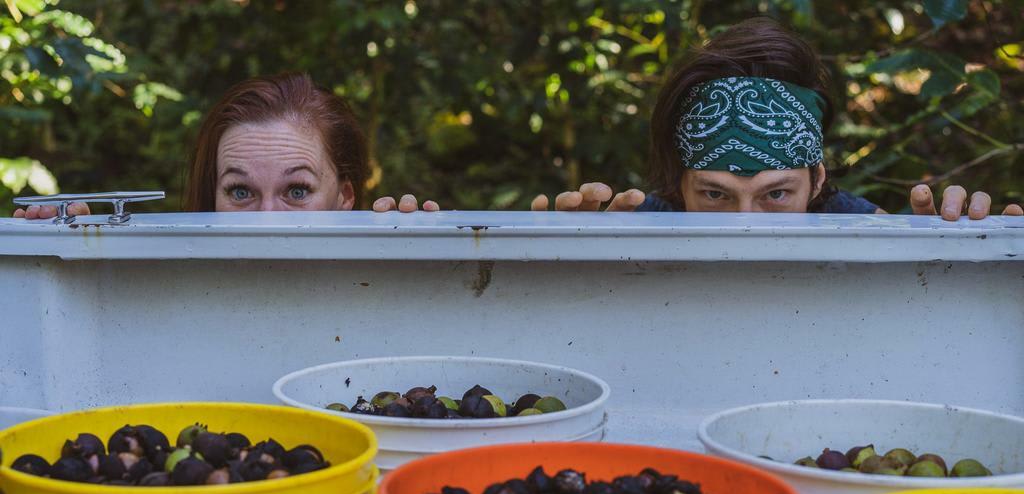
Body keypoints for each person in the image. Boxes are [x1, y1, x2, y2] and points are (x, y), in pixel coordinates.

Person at [532, 18, 1022, 219]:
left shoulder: (861, 228)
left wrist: (954, 255)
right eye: (715, 194)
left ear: (817, 179)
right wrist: (565, 257)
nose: (747, 225)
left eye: (777, 194)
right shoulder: (638, 223)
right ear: (678, 183)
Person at [14, 72, 433, 219]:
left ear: (344, 197)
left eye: (297, 191)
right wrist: (75, 258)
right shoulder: (161, 285)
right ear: (211, 193)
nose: (267, 218)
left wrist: (406, 257)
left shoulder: (371, 277)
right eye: (240, 191)